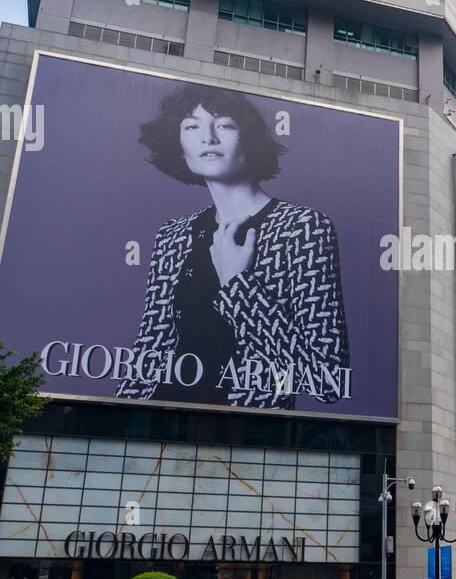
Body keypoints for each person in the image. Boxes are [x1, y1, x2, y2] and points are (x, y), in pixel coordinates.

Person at [116, 83, 349, 411]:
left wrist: (237, 285)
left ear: (248, 139)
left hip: (247, 432)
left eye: (224, 125)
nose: (207, 138)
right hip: (152, 424)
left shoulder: (303, 228)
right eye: (191, 126)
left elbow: (328, 380)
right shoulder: (172, 236)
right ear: (178, 143)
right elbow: (149, 352)